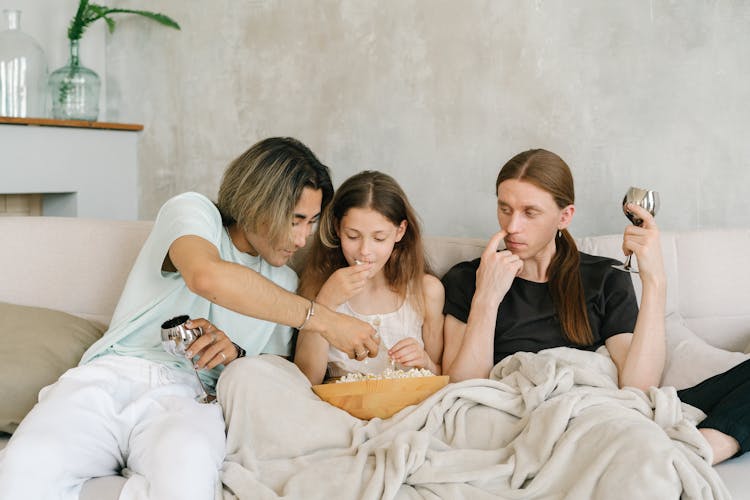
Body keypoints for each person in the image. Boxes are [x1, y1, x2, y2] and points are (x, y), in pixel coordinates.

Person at [0, 137, 379, 500]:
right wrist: (324, 319)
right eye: (295, 220)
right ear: (258, 204)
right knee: (21, 471)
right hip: (111, 376)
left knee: (186, 486)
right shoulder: (194, 213)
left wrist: (235, 353)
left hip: (192, 398)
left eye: (311, 222)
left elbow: (275, 377)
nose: (302, 239)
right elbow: (205, 276)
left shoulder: (285, 283)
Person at [441, 148, 749, 465]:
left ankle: (708, 446)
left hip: (599, 412)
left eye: (529, 213)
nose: (513, 226)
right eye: (504, 209)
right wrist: (486, 297)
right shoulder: (467, 279)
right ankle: (682, 454)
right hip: (518, 420)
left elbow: (638, 386)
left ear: (565, 216)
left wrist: (655, 280)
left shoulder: (603, 277)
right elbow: (463, 388)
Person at [294, 170, 445, 384]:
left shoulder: (427, 291)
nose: (365, 250)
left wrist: (426, 363)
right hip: (339, 408)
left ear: (400, 231)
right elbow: (307, 378)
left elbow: (443, 375)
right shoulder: (318, 286)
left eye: (379, 238)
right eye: (353, 236)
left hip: (405, 406)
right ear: (337, 228)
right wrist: (325, 301)